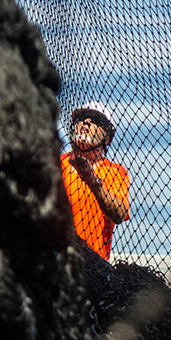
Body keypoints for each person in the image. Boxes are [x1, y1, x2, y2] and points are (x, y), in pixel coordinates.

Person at [61, 102, 131, 261]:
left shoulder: (116, 172)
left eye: (95, 120)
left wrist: (92, 180)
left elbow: (120, 214)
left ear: (107, 138)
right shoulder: (55, 164)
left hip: (93, 266)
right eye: (81, 118)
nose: (86, 122)